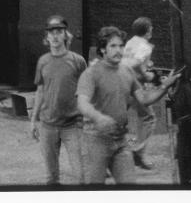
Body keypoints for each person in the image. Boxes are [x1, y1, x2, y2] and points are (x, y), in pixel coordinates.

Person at [76, 26, 179, 185]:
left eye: (121, 46)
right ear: (103, 49)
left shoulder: (127, 71)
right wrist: (98, 117)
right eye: (113, 46)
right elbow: (82, 103)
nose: (118, 50)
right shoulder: (91, 74)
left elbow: (144, 99)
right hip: (96, 140)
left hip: (121, 140)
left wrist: (164, 87)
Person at [30, 14, 87, 186]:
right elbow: (40, 90)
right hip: (48, 126)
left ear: (65, 35)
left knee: (81, 177)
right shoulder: (43, 62)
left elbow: (86, 91)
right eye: (51, 32)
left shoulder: (78, 61)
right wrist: (33, 120)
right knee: (52, 178)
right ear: (46, 37)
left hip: (73, 126)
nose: (55, 36)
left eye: (59, 31)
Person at [122, 16, 157, 169]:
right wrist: (146, 74)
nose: (152, 30)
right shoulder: (145, 46)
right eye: (151, 28)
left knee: (116, 119)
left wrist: (146, 65)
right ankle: (138, 153)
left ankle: (103, 160)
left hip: (122, 82)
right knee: (149, 118)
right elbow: (135, 62)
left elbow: (130, 61)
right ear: (148, 30)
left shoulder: (130, 42)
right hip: (134, 86)